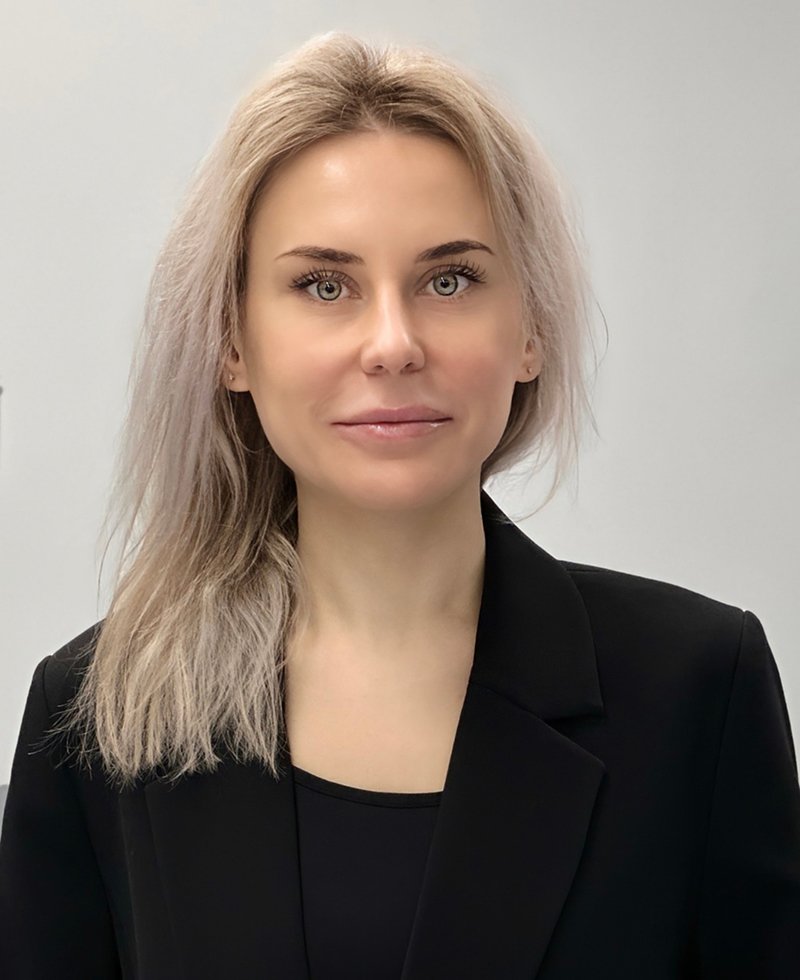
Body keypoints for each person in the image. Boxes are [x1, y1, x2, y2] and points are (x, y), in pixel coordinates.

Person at [1, 30, 798, 980]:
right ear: (231, 344)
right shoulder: (94, 715)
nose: (392, 344)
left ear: (531, 330)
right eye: (324, 285)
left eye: (449, 280)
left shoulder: (699, 690)